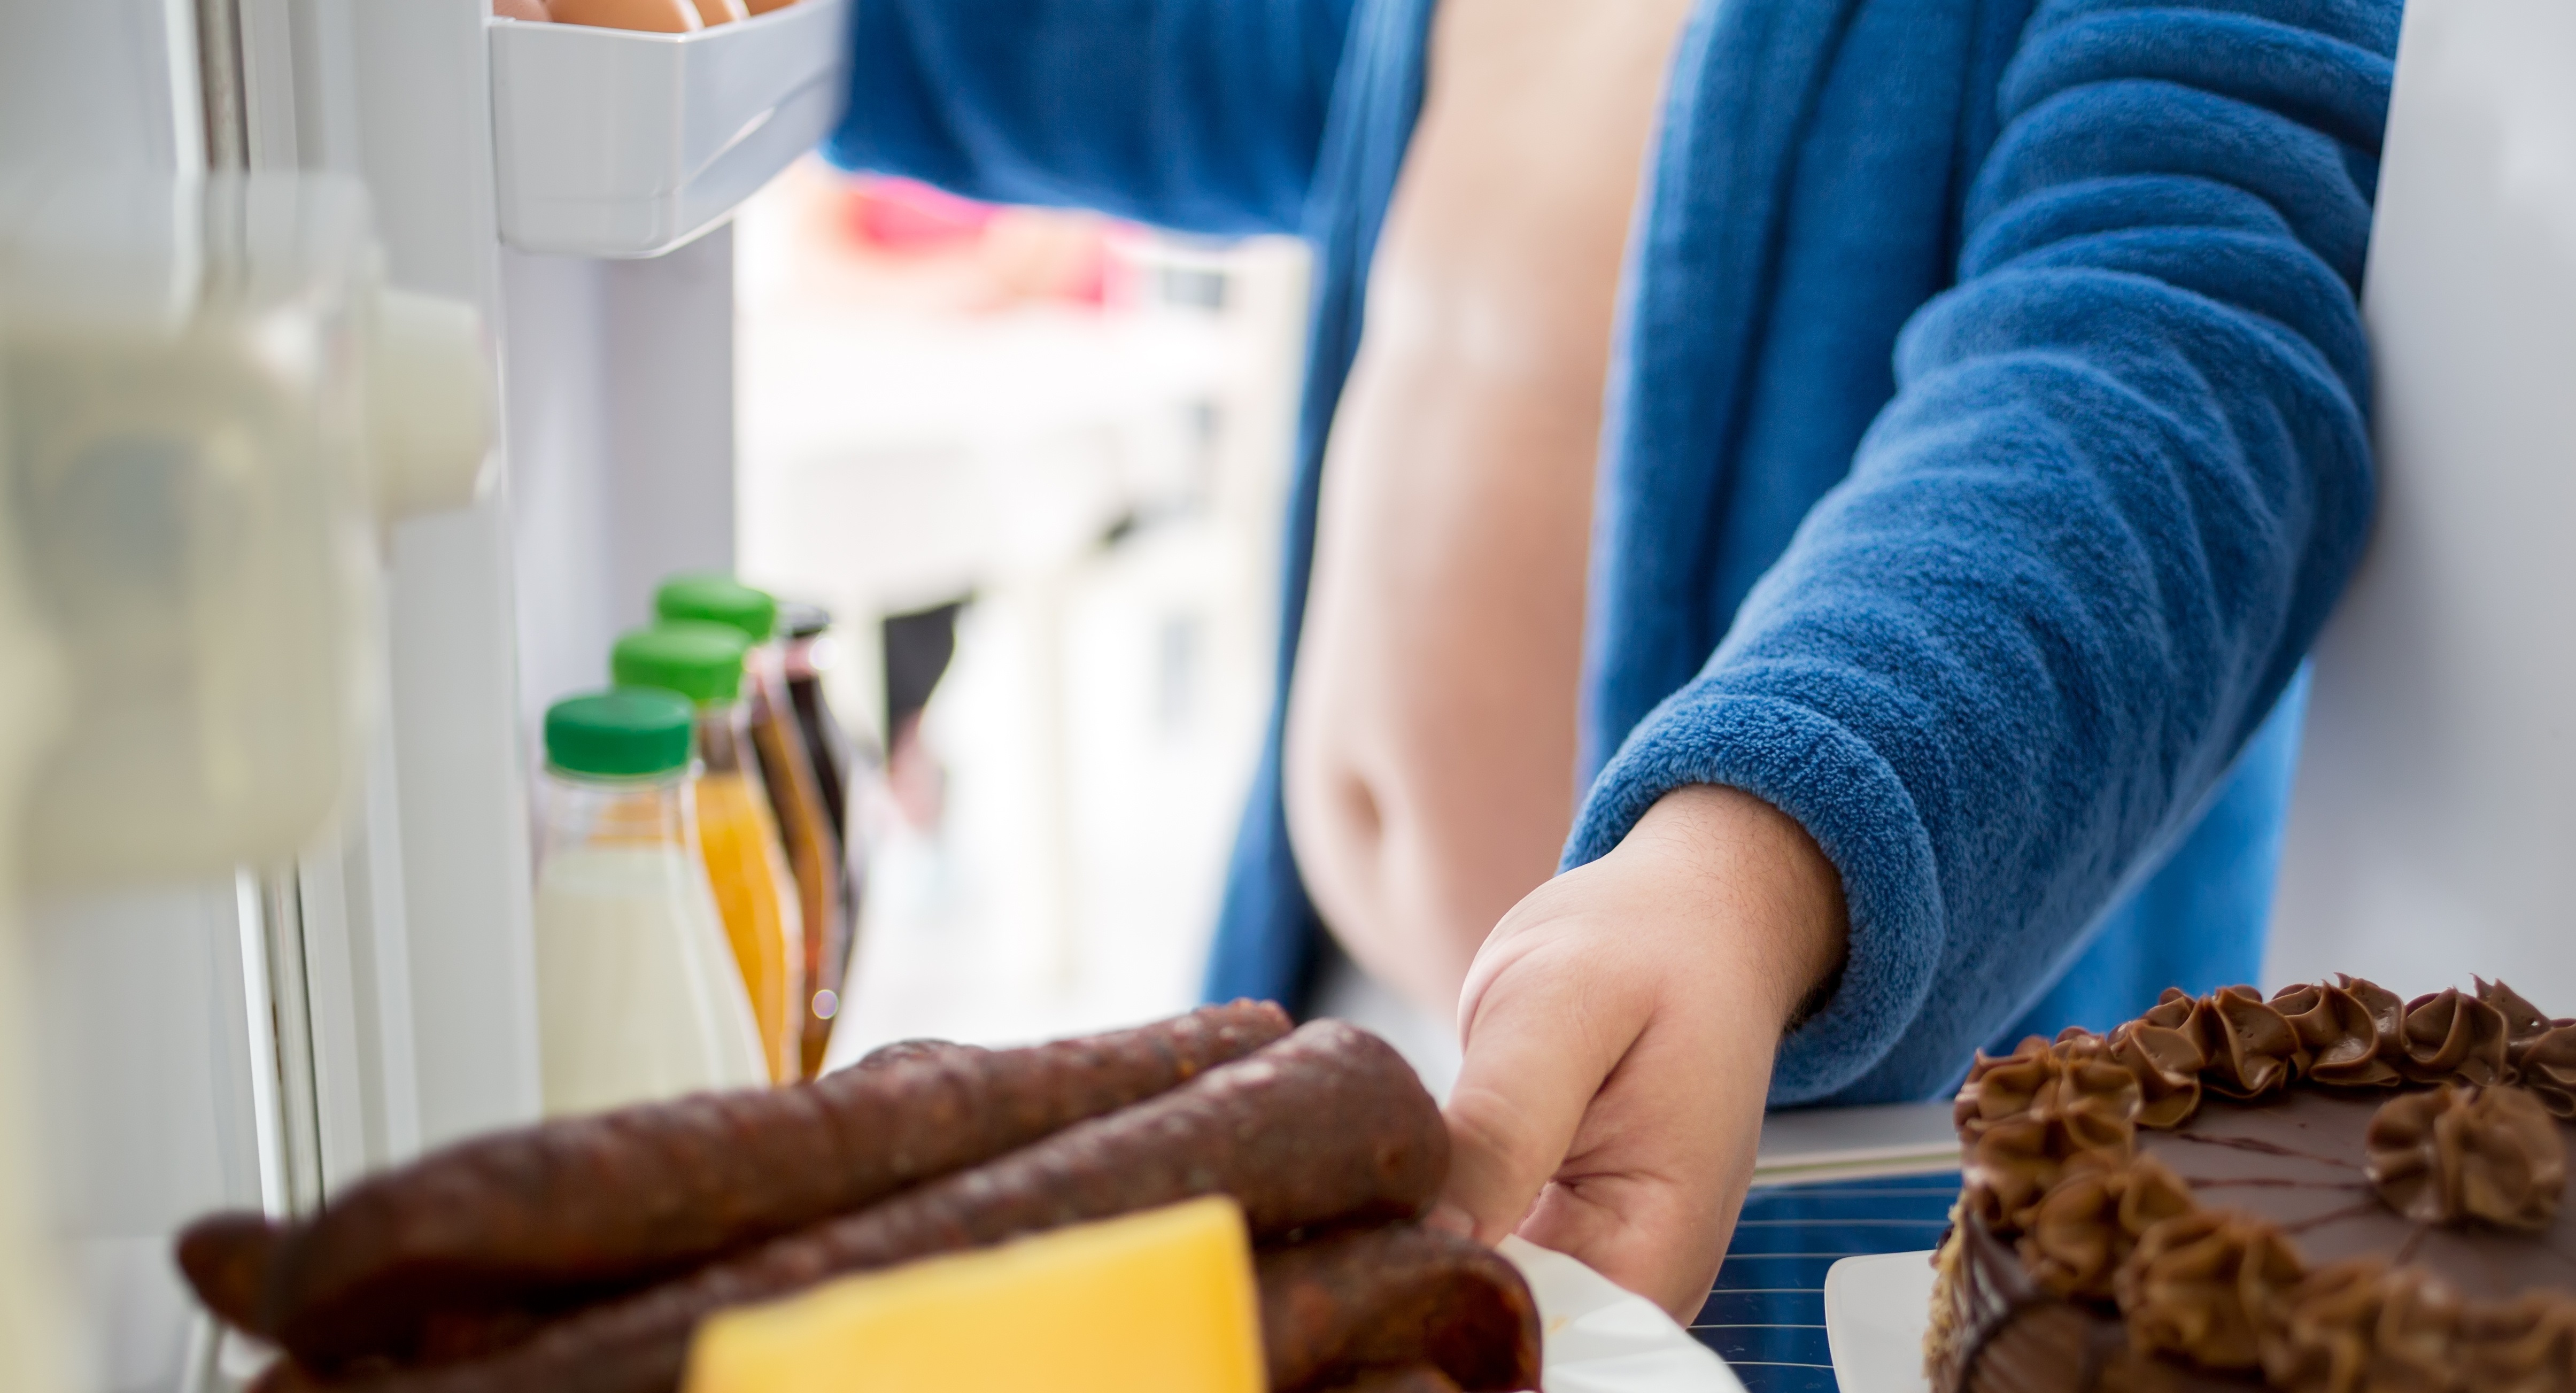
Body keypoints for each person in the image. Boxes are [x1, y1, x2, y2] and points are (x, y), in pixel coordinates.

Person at [833, 0, 2400, 1318]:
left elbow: (2166, 353)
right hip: (1352, 1037)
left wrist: (1755, 867)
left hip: (1746, 1154)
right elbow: (1163, 37)